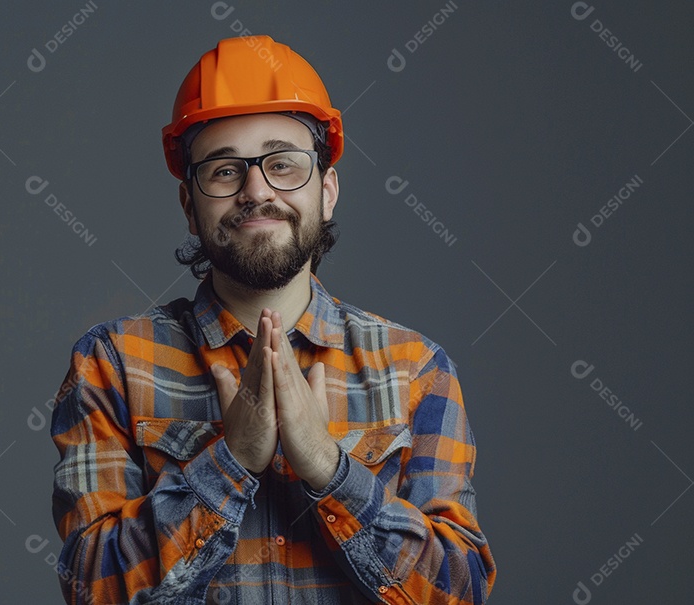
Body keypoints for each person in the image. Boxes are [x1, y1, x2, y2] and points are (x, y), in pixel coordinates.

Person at [49, 35, 496, 604]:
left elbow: (460, 591)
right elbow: (92, 587)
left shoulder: (416, 369)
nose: (256, 190)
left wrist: (332, 471)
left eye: (283, 164)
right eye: (224, 170)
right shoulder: (112, 363)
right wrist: (229, 462)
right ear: (190, 205)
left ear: (327, 191)